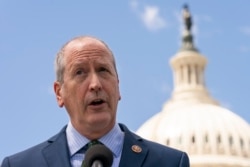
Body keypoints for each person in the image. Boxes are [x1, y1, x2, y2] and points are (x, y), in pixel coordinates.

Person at [1, 36, 190, 167]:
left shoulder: (170, 162)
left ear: (118, 86)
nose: (95, 84)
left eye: (103, 70)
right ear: (59, 93)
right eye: (80, 72)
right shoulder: (20, 165)